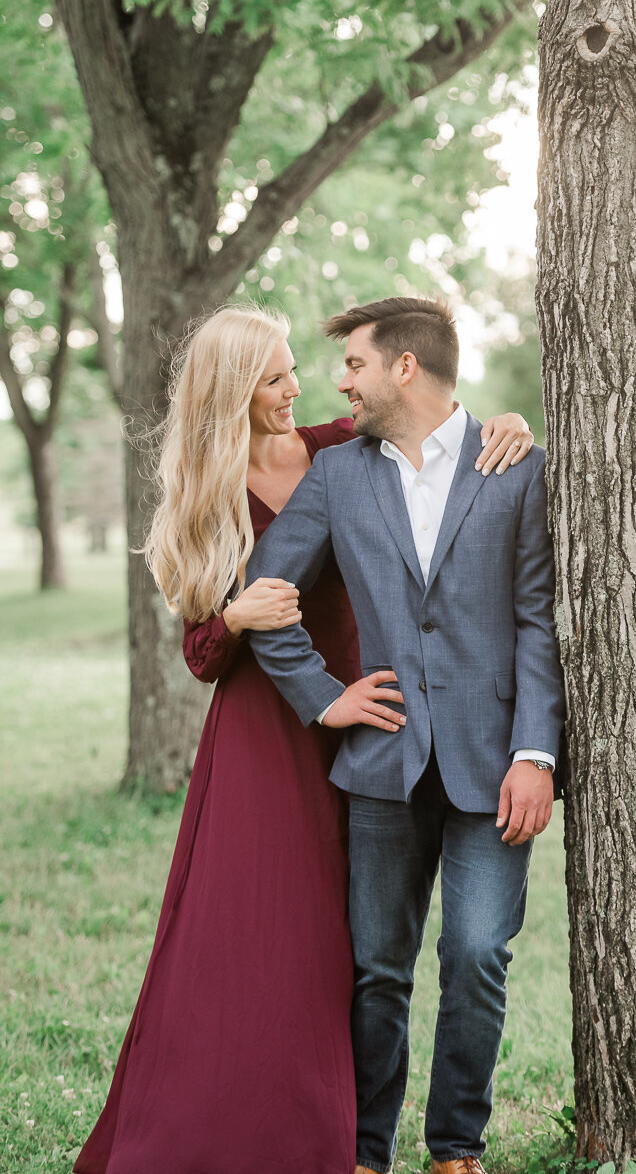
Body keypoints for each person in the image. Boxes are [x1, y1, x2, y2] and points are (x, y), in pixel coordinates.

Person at [74, 303, 533, 1174]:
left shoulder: (335, 449)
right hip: (281, 726)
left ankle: (399, 1140)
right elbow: (200, 650)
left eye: (297, 371)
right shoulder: (207, 493)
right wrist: (240, 618)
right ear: (235, 392)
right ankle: (308, 1132)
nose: (300, 388)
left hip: (381, 716)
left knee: (372, 949)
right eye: (276, 378)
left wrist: (498, 427)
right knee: (307, 945)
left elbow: (428, 426)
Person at [246, 295, 566, 1174]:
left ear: (404, 367)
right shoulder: (339, 474)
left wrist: (536, 754)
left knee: (473, 956)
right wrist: (322, 697)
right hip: (380, 762)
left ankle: (455, 1149)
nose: (338, 381)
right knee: (377, 972)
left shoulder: (514, 465)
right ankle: (363, 1153)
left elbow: (538, 621)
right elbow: (266, 597)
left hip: (494, 762)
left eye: (352, 363)